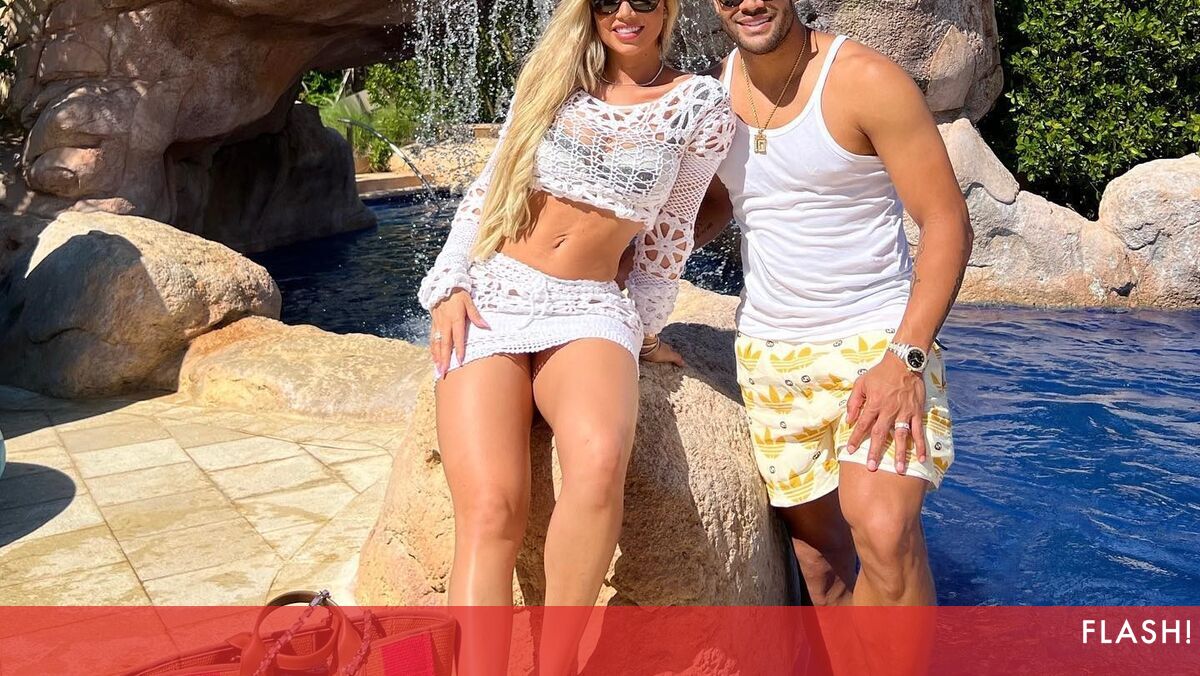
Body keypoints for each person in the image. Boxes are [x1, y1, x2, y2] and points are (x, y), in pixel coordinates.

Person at [415, 0, 734, 671]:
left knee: (598, 461)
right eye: (607, 1)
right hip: (496, 292)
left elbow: (670, 234)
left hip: (589, 304)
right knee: (492, 509)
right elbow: (489, 188)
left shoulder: (700, 104)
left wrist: (645, 330)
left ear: (669, 7)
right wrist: (449, 284)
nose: (626, 12)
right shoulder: (554, 78)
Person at [698, 0, 973, 615]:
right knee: (821, 572)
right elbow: (718, 203)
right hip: (770, 355)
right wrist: (625, 264)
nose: (749, 2)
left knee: (885, 534)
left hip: (875, 343)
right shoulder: (715, 91)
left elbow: (947, 221)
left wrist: (905, 358)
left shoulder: (867, 80)